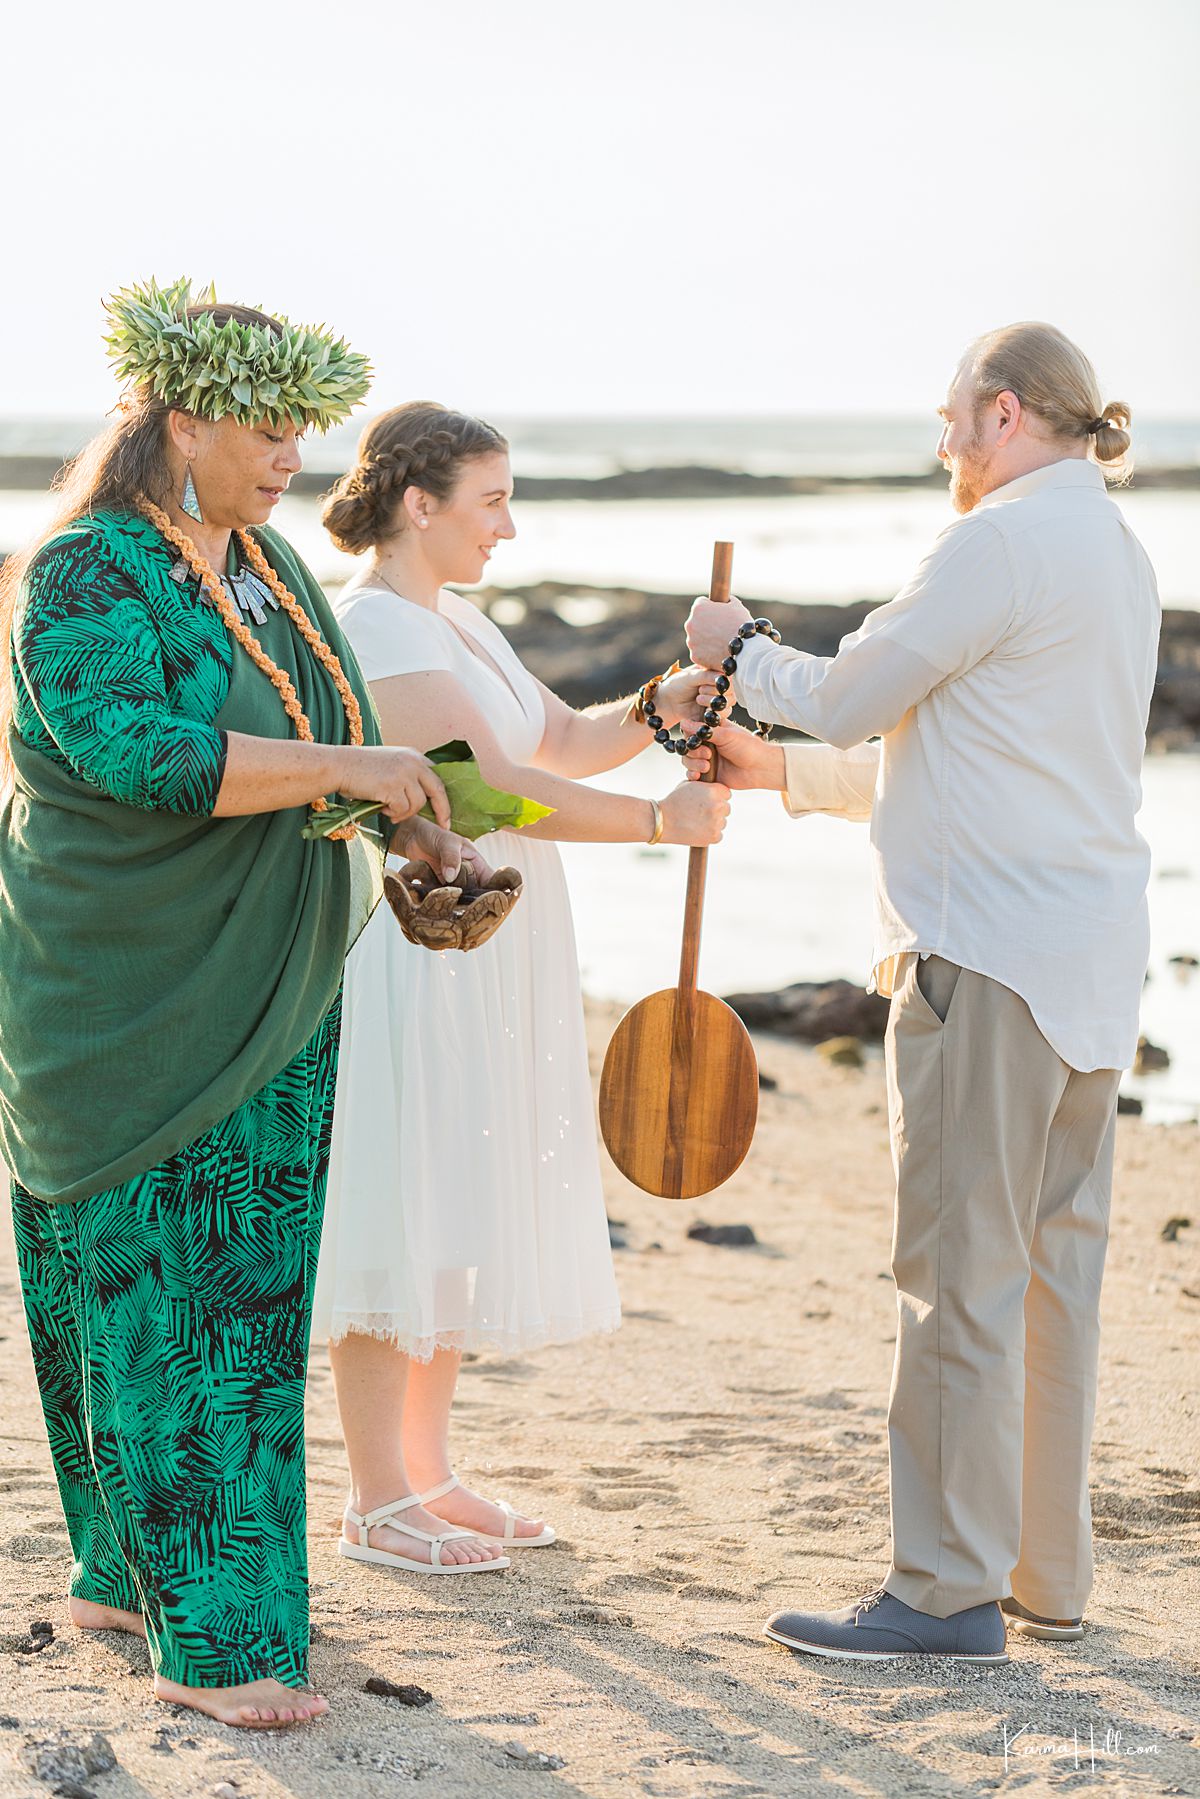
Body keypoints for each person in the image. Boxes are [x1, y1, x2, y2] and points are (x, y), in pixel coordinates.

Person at [0, 281, 481, 1727]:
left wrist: (415, 822)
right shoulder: (84, 568)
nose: (293, 461)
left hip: (264, 978)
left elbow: (333, 729)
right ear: (183, 417)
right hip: (120, 981)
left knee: (240, 1298)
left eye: (301, 434)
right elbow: (142, 753)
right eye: (267, 433)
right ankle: (215, 1648)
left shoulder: (265, 561)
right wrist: (349, 775)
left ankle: (117, 1573)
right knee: (152, 1300)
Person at [681, 323, 1159, 1665]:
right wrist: (772, 775)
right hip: (1083, 963)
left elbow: (848, 700)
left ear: (1004, 413)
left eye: (950, 415)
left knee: (956, 1280)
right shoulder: (1115, 553)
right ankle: (1041, 1573)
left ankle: (944, 1589)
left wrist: (739, 643)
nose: (940, 439)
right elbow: (964, 748)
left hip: (987, 962)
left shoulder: (995, 540)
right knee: (1052, 1276)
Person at [311, 402, 729, 1573]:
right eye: (491, 499)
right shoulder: (380, 627)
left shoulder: (463, 621)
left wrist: (656, 710)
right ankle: (374, 1497)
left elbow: (554, 736)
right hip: (418, 949)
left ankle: (430, 1471)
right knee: (402, 1193)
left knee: (453, 1191)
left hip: (489, 949)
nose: (509, 524)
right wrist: (660, 820)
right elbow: (491, 792)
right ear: (417, 504)